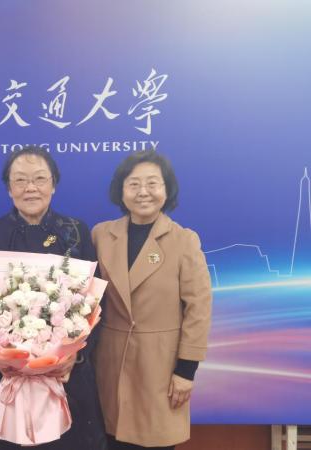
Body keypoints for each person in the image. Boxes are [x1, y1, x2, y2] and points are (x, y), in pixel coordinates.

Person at [0, 145, 107, 450]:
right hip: (5, 379)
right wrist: (0, 360)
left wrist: (74, 357)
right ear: (9, 189)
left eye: (40, 178)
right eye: (20, 180)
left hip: (65, 378)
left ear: (53, 184)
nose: (30, 187)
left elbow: (96, 304)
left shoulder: (75, 232)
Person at [92, 150, 212, 449]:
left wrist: (186, 371)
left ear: (166, 189)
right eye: (133, 184)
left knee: (155, 441)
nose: (143, 192)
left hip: (160, 368)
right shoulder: (101, 235)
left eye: (152, 183)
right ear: (121, 190)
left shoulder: (184, 240)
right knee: (109, 439)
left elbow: (198, 309)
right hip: (108, 364)